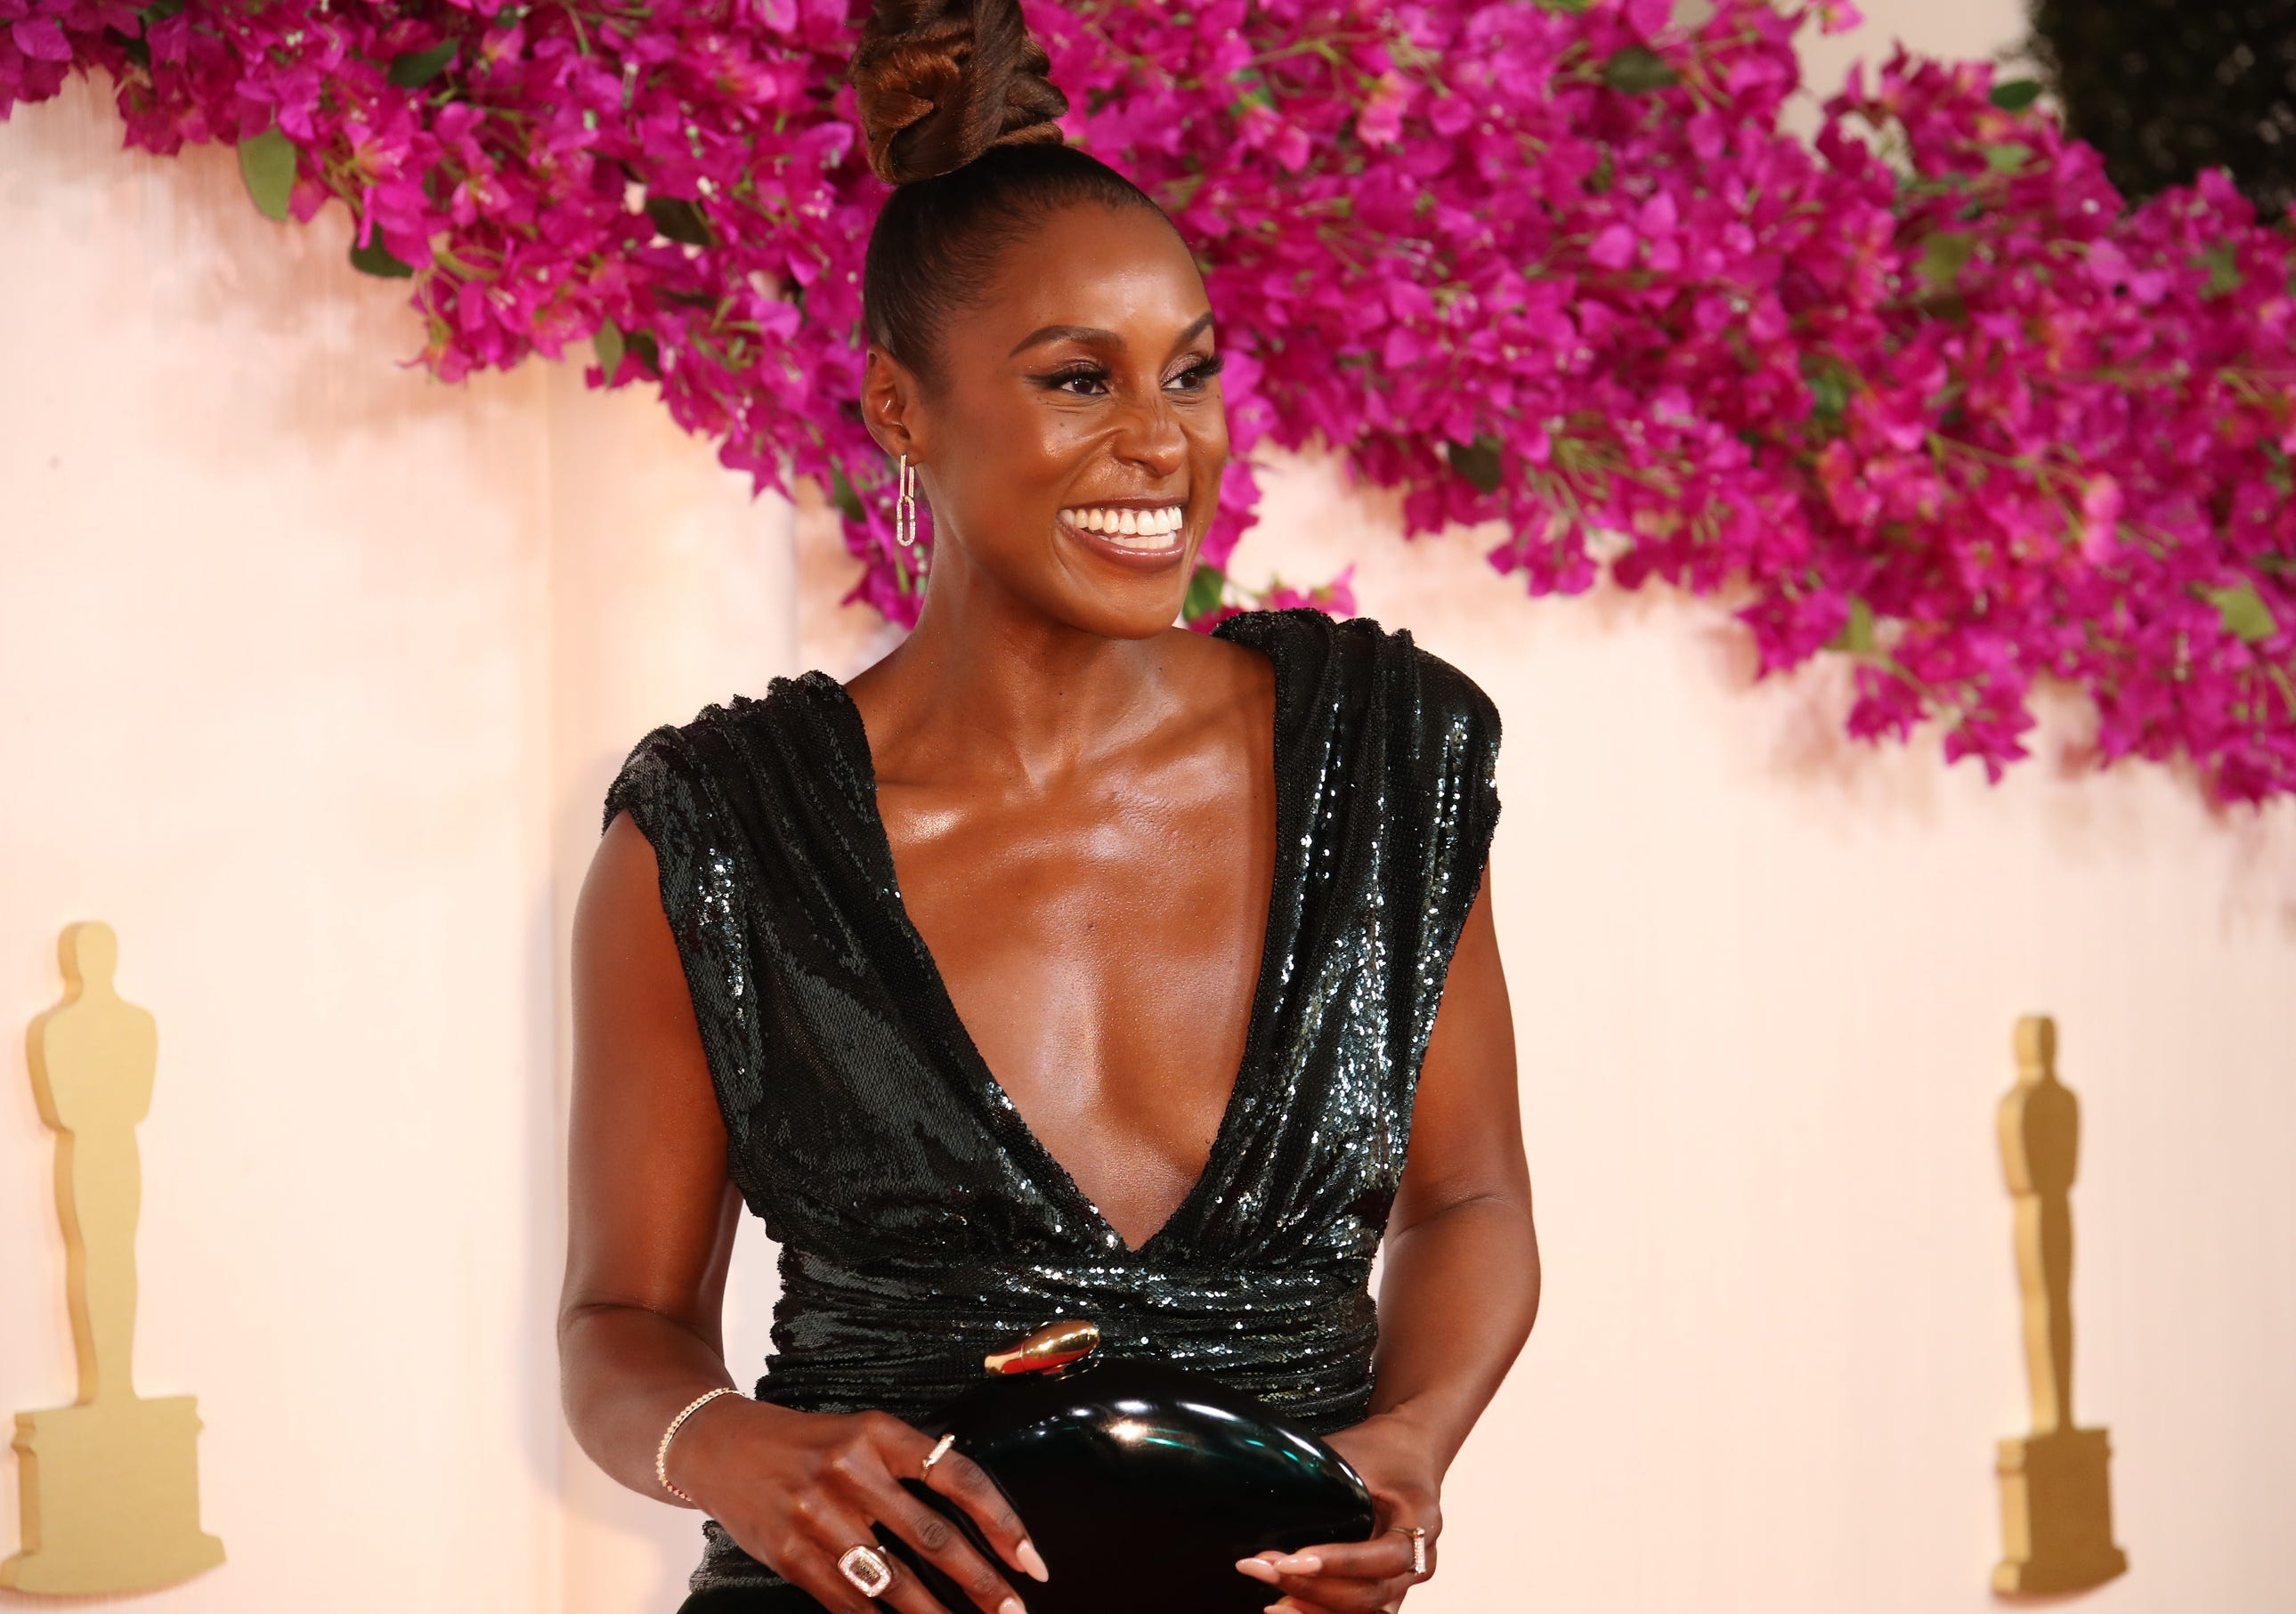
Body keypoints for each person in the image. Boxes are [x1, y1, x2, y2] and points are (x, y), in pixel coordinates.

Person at [557, 4, 1540, 1610]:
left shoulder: (1383, 763)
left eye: (1192, 371)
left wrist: (1417, 1442)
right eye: (1079, 379)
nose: (1160, 441)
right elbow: (615, 1325)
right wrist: (725, 1440)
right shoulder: (714, 835)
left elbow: (1473, 1196)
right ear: (897, 408)